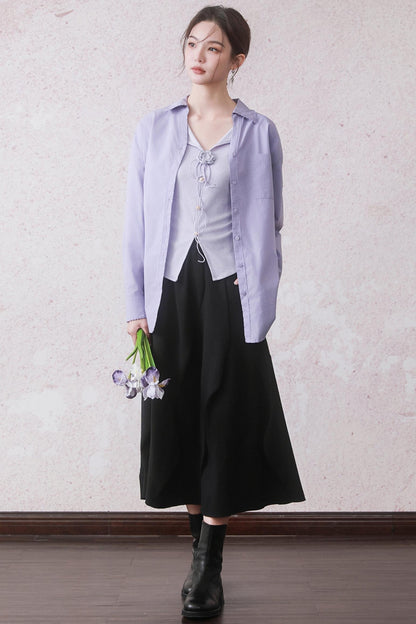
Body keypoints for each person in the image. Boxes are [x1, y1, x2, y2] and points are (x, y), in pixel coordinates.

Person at [122, 5, 305, 619]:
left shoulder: (259, 131)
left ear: (237, 59)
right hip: (169, 291)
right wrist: (135, 304)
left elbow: (271, 221)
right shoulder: (154, 128)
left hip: (232, 290)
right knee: (178, 418)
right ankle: (197, 551)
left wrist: (262, 296)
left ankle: (209, 566)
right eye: (192, 43)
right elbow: (135, 223)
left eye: (214, 47)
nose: (199, 55)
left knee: (225, 417)